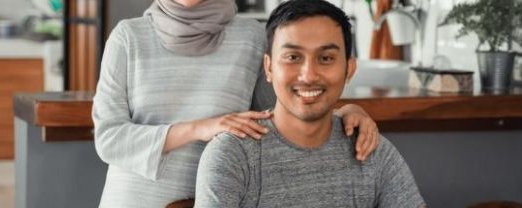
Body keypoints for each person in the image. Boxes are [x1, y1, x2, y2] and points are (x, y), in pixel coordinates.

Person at [92, 0, 381, 207]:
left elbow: (282, 119)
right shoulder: (127, 37)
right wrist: (199, 128)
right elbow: (109, 138)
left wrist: (344, 111)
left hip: (222, 197)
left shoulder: (252, 38)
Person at [194, 0, 425, 207]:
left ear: (349, 70)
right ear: (269, 67)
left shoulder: (371, 149)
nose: (309, 75)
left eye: (325, 58)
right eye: (293, 57)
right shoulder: (233, 155)